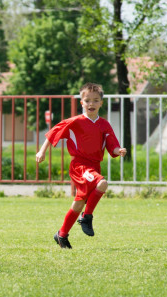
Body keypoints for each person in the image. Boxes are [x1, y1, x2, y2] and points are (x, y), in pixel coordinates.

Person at [35, 83, 127, 249]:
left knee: (78, 203)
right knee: (102, 183)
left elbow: (111, 144)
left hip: (94, 166)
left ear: (101, 103)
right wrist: (41, 152)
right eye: (87, 100)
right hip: (79, 166)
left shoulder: (104, 125)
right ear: (82, 103)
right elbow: (53, 133)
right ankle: (87, 217)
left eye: (95, 100)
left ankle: (61, 235)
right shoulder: (75, 122)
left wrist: (118, 150)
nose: (91, 103)